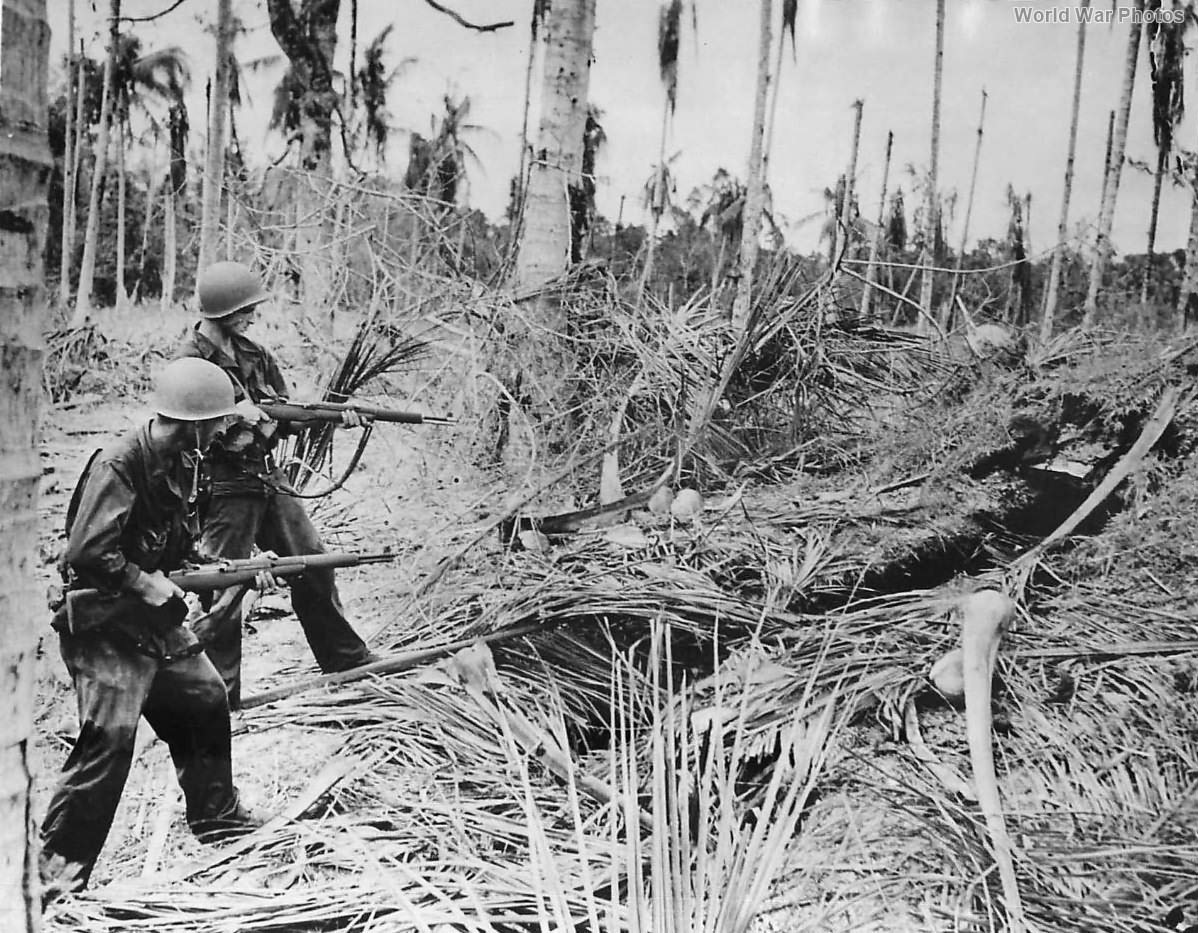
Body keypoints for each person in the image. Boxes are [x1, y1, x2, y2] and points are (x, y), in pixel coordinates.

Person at [40, 358, 260, 902]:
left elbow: (178, 545)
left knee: (206, 698)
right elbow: (89, 553)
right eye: (217, 422)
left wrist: (232, 569)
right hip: (103, 625)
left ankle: (216, 816)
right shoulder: (118, 464)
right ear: (194, 422)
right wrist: (146, 584)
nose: (223, 431)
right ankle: (53, 878)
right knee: (110, 741)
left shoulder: (185, 462)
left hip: (153, 624)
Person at [174, 261, 378, 708]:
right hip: (221, 484)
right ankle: (218, 694)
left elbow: (286, 414)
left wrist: (331, 419)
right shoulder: (188, 362)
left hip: (266, 477)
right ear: (222, 309)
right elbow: (194, 430)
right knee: (225, 585)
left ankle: (345, 660)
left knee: (315, 562)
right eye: (245, 309)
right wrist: (247, 423)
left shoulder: (255, 354)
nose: (252, 317)